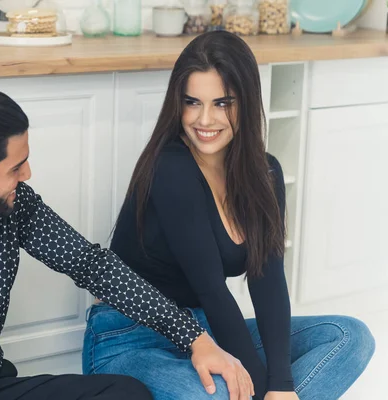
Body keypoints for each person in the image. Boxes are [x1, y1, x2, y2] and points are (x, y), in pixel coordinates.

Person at [0, 83, 254, 400]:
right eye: (16, 166)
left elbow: (91, 265)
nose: (28, 174)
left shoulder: (8, 207)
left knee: (126, 395)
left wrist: (195, 338)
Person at [81, 31, 375, 400]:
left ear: (247, 103)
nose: (205, 119)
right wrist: (256, 390)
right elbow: (212, 290)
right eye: (192, 102)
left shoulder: (266, 174)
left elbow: (268, 283)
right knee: (220, 395)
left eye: (223, 103)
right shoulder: (170, 167)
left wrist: (281, 386)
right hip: (130, 337)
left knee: (350, 337)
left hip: (208, 331)